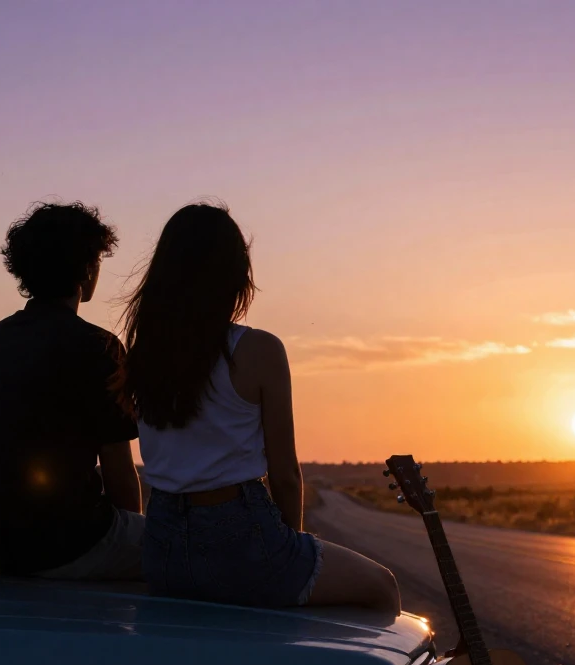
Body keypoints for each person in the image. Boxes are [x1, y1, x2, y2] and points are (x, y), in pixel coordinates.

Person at [118, 203, 401, 614]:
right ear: (234, 275)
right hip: (240, 538)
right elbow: (285, 475)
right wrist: (287, 555)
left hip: (161, 547)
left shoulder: (142, 358)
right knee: (382, 587)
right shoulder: (258, 350)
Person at [0, 201, 144, 580]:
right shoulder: (99, 347)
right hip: (70, 541)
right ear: (89, 267)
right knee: (182, 551)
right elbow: (119, 473)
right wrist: (132, 538)